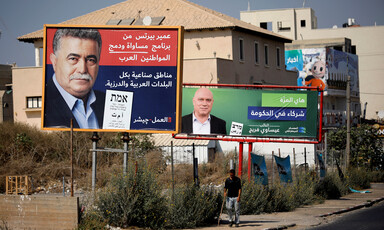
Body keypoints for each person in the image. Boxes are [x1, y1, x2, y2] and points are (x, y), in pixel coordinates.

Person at [44, 28, 105, 129]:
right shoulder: (44, 104)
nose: (82, 69)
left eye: (90, 60)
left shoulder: (107, 103)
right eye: (73, 59)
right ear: (54, 62)